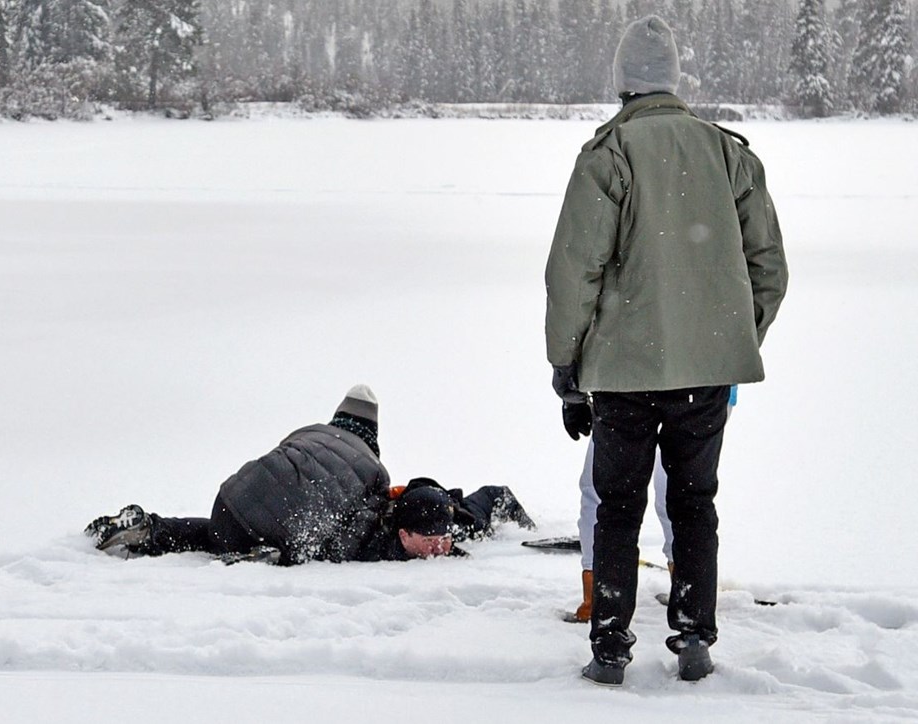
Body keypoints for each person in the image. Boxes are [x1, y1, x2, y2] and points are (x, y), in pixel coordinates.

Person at [545, 15, 787, 686]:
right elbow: (769, 268)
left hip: (623, 374)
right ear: (673, 81)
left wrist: (567, 367)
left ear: (622, 83)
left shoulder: (608, 155)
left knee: (618, 503)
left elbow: (574, 272)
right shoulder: (728, 153)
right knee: (694, 500)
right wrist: (729, 335)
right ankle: (693, 639)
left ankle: (611, 647)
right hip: (705, 375)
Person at [85, 385, 534, 564]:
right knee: (293, 532)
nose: (439, 546)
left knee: (223, 532)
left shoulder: (317, 433)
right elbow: (340, 537)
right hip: (266, 532)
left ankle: (151, 529)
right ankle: (266, 554)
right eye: (431, 540)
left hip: (229, 500)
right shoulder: (374, 482)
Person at [566, 388, 738, 623]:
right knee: (685, 493)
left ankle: (598, 598)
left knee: (606, 493)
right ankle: (690, 599)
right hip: (703, 383)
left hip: (627, 384)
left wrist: (571, 389)